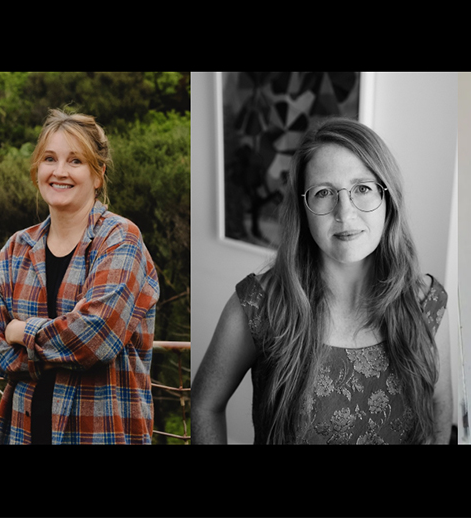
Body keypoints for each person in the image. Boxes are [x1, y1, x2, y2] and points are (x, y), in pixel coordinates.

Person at [191, 117, 453, 444]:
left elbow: (439, 419)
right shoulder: (258, 306)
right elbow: (204, 404)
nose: (345, 213)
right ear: (303, 208)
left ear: (388, 198)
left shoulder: (427, 305)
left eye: (362, 188)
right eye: (324, 192)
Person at [0, 109, 160, 444]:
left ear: (98, 175)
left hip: (101, 434)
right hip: (22, 433)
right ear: (37, 170)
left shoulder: (120, 240)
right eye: (50, 158)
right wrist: (61, 345)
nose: (59, 171)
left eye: (75, 161)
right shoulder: (16, 248)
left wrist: (21, 330)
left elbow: (94, 339)